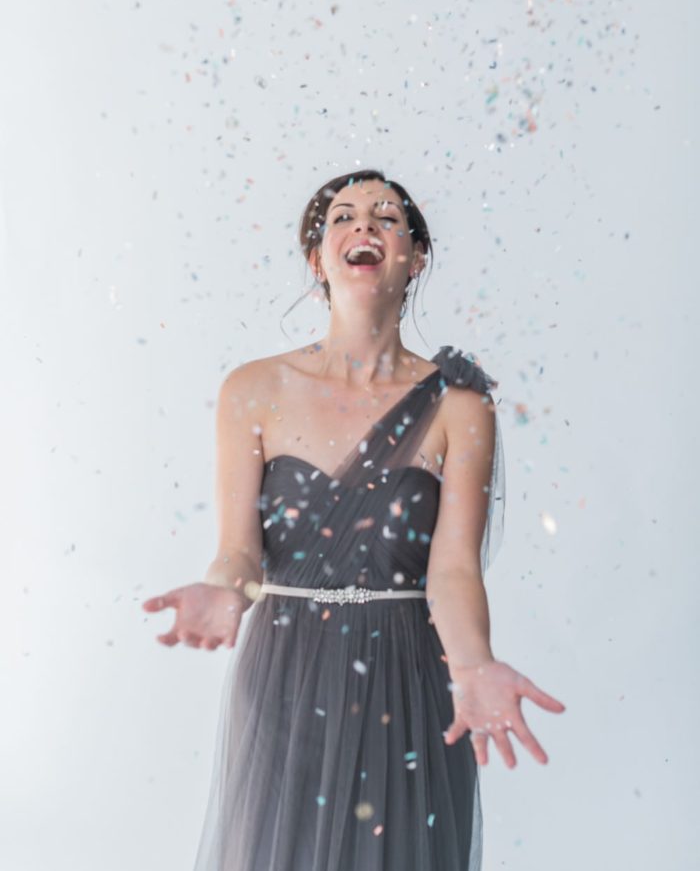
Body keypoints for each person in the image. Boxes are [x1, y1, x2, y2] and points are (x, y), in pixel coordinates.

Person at [142, 170, 566, 871]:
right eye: (342, 215)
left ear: (415, 255)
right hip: (288, 665)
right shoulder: (252, 390)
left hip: (408, 673)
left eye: (385, 216)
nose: (363, 224)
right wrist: (224, 590)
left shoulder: (460, 406)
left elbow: (454, 569)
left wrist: (474, 664)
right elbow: (239, 555)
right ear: (318, 258)